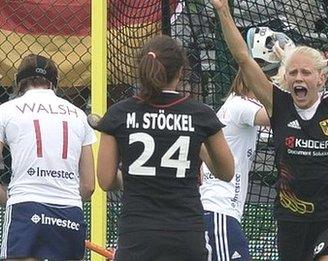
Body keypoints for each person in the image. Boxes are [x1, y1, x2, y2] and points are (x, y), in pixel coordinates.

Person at [211, 0, 328, 259]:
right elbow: (243, 58)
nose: (299, 78)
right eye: (293, 73)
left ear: (321, 78)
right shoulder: (278, 104)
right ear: (285, 77)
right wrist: (223, 11)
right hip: (292, 220)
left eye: (306, 73)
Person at [95, 34, 234, 261]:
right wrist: (195, 143)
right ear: (180, 71)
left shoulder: (119, 114)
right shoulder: (200, 114)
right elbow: (226, 172)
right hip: (186, 232)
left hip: (138, 234)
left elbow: (106, 180)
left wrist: (129, 175)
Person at [0, 54, 96, 260]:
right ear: (55, 82)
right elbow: (88, 186)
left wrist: (9, 199)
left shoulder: (5, 111)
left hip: (25, 206)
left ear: (19, 81)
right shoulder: (79, 115)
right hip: (69, 211)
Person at [200, 68, 270, 260]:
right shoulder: (240, 105)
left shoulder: (235, 105)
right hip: (219, 210)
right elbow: (278, 115)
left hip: (219, 211)